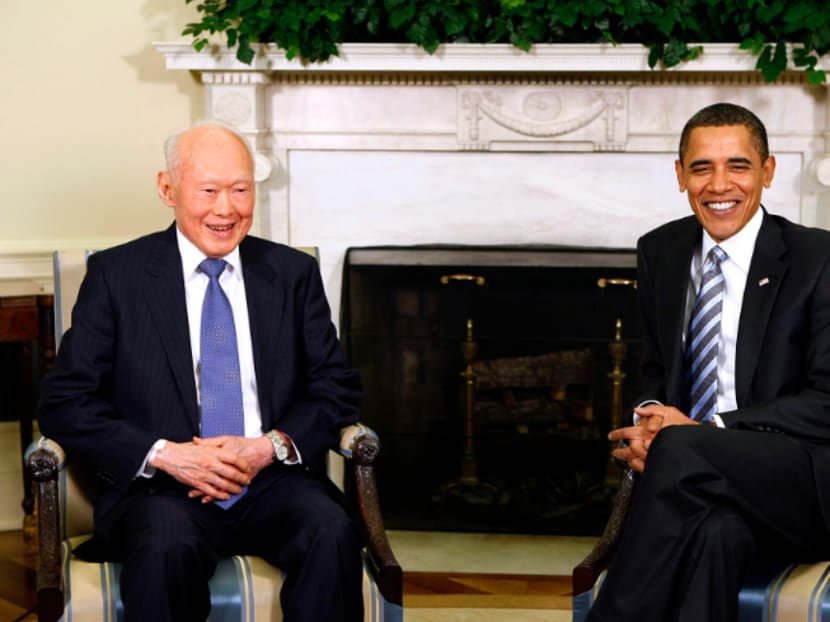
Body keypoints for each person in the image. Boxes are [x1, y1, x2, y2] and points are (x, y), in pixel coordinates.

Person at [38, 122, 365, 622]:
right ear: (167, 189)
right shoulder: (118, 275)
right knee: (166, 542)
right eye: (209, 190)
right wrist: (166, 455)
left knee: (331, 528)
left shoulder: (291, 274)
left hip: (272, 480)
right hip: (161, 489)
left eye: (240, 190)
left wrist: (266, 447)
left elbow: (336, 389)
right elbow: (65, 402)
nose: (226, 209)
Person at [585, 102, 830, 621]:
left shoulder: (818, 258)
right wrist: (650, 417)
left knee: (680, 445)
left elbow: (826, 403)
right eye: (702, 168)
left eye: (738, 165)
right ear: (680, 176)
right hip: (699, 485)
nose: (720, 185)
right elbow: (652, 367)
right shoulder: (661, 251)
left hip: (801, 481)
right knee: (717, 537)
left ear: (767, 171)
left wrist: (704, 430)